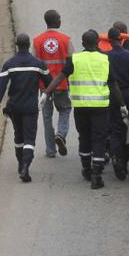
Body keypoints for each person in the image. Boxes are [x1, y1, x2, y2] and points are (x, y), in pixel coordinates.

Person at [45, 30, 123, 189]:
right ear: (97, 43)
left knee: (84, 137)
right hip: (100, 107)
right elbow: (113, 84)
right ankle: (97, 175)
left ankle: (86, 169)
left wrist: (46, 93)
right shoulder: (105, 58)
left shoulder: (74, 59)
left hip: (81, 107)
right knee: (99, 139)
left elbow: (60, 77)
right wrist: (122, 105)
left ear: (82, 43)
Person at [0, 34, 52, 182]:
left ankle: (20, 164)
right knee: (29, 138)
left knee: (18, 136)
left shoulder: (9, 64)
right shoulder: (38, 64)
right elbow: (49, 82)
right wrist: (46, 95)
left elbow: (0, 87)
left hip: (15, 107)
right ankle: (25, 166)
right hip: (31, 107)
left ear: (16, 44)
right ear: (28, 44)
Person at [33, 10, 73, 158]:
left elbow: (34, 64)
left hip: (44, 87)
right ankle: (61, 134)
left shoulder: (37, 41)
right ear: (56, 21)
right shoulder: (66, 40)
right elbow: (71, 64)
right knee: (65, 109)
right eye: (59, 18)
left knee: (47, 117)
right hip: (61, 85)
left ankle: (50, 150)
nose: (60, 20)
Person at [105, 27, 129, 179]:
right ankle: (125, 161)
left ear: (108, 40)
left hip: (113, 96)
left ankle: (116, 158)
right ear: (121, 39)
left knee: (115, 129)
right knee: (128, 127)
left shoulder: (105, 57)